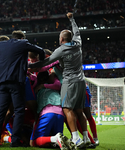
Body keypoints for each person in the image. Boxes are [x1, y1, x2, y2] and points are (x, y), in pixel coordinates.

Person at [29, 13, 91, 148]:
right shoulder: (78, 43)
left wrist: (29, 66)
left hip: (69, 82)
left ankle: (76, 139)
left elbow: (46, 61)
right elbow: (77, 31)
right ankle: (85, 137)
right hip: (81, 81)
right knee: (79, 111)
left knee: (67, 109)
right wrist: (72, 19)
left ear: (61, 39)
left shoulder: (61, 50)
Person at [0, 30, 45, 147]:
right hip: (16, 82)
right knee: (19, 110)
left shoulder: (2, 45)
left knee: (1, 112)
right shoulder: (23, 43)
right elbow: (40, 51)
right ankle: (15, 140)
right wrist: (41, 61)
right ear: (22, 38)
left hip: (1, 83)